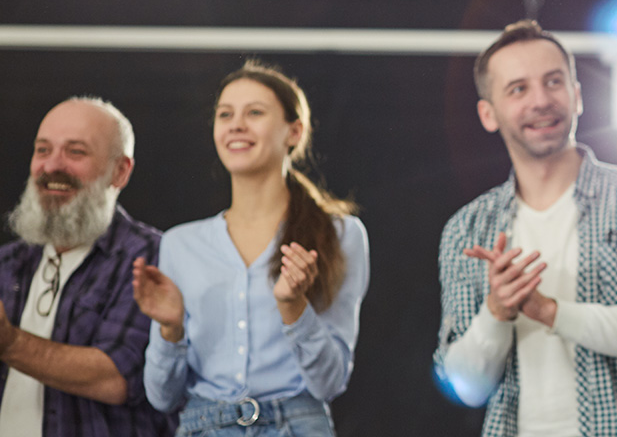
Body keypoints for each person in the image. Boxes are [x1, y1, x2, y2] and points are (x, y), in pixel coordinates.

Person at [435, 19, 617, 437]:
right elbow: (466, 388)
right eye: (518, 89)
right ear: (488, 113)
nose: (541, 100)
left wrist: (548, 311)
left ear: (577, 95)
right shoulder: (468, 229)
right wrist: (496, 313)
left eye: (553, 82)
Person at [132, 62, 369, 436]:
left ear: (295, 131)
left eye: (254, 113)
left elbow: (330, 383)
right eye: (225, 114)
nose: (236, 125)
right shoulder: (181, 244)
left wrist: (293, 307)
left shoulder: (340, 234)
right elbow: (162, 398)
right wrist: (170, 329)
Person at [0, 97, 174, 437]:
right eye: (43, 150)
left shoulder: (154, 257)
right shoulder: (8, 262)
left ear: (120, 171)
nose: (52, 166)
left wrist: (9, 344)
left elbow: (117, 378)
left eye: (75, 152)